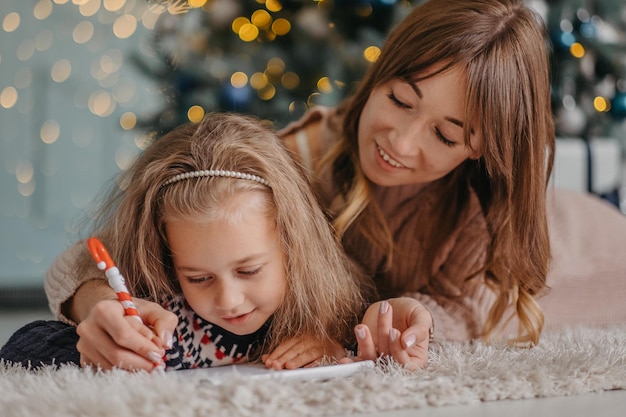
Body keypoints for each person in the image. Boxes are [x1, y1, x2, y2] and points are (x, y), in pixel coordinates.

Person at [42, 0, 626, 371]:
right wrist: (97, 307)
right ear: (377, 75)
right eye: (399, 100)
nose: (400, 143)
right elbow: (84, 261)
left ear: (482, 149)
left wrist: (407, 315)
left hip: (587, 242)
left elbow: (468, 314)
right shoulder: (297, 162)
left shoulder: (485, 207)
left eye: (446, 136)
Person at [1, 112, 370, 371]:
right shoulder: (160, 318)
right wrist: (103, 340)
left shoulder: (330, 300)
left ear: (295, 246)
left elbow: (385, 326)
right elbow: (22, 348)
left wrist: (335, 341)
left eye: (249, 270)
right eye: (198, 277)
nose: (228, 300)